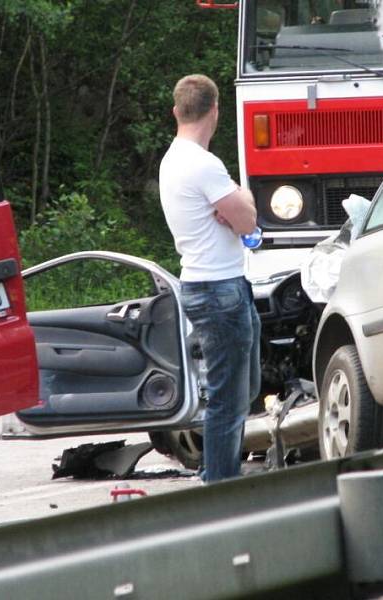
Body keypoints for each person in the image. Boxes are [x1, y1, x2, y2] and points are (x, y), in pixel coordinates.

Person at [159, 74, 261, 483]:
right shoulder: (204, 165)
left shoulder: (173, 160)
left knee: (243, 388)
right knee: (228, 399)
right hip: (220, 290)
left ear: (176, 111)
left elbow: (239, 220)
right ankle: (219, 484)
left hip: (212, 287)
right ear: (215, 110)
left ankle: (216, 470)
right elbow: (249, 220)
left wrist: (234, 205)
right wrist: (241, 199)